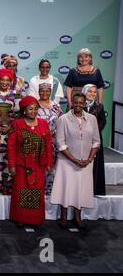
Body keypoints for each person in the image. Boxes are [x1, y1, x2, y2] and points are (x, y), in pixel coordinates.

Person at [50, 93, 100, 229]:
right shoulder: (63, 119)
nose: (78, 105)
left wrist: (89, 159)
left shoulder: (92, 119)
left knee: (81, 189)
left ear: (84, 104)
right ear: (71, 102)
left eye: (81, 103)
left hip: (86, 163)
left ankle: (78, 215)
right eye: (75, 102)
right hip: (67, 162)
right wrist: (75, 160)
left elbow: (96, 142)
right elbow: (60, 143)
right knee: (65, 188)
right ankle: (64, 216)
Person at [7, 96, 53, 227]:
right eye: (30, 109)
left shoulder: (44, 124)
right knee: (21, 191)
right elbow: (11, 146)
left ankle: (34, 219)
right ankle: (20, 218)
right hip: (21, 165)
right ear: (24, 110)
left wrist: (49, 163)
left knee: (36, 191)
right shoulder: (17, 124)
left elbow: (48, 144)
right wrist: (11, 165)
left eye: (35, 109)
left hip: (38, 165)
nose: (33, 111)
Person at [0, 69, 19, 195]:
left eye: (8, 80)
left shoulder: (15, 95)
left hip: (10, 132)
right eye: (3, 80)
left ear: (11, 82)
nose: (5, 82)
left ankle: (7, 186)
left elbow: (17, 115)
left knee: (8, 158)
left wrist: (10, 127)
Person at [37, 83, 63, 195]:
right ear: (38, 92)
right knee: (39, 165)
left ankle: (50, 189)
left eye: (47, 91)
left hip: (53, 141)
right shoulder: (34, 105)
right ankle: (39, 188)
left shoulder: (56, 106)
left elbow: (61, 122)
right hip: (38, 141)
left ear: (51, 92)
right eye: (42, 91)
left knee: (52, 165)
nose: (45, 93)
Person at [82, 84, 106, 195]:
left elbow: (102, 122)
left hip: (95, 139)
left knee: (95, 164)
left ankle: (95, 189)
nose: (92, 94)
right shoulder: (77, 105)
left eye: (94, 92)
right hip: (80, 139)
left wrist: (93, 132)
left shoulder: (99, 107)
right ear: (84, 92)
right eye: (90, 91)